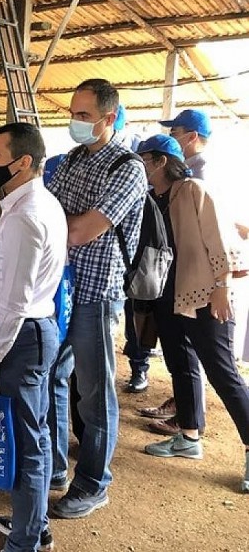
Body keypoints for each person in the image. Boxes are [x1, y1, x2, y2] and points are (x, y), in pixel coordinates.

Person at [46, 79, 146, 519]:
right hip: (60, 290)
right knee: (50, 376)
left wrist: (59, 222)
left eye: (84, 116)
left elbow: (79, 230)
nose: (75, 122)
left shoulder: (128, 168)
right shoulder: (69, 160)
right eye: (73, 113)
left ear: (109, 118)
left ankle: (93, 483)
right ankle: (51, 467)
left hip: (97, 294)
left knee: (93, 392)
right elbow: (48, 220)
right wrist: (59, 222)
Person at [135, 135, 249, 494]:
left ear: (161, 161)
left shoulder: (193, 190)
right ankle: (188, 436)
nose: (141, 166)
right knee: (180, 365)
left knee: (222, 371)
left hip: (203, 292)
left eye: (144, 159)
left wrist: (222, 286)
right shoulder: (152, 198)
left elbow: (220, 238)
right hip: (168, 295)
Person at [0, 123, 67, 552]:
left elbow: (14, 301)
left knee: (28, 442)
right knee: (34, 433)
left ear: (22, 162)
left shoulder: (25, 217)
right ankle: (34, 523)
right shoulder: (36, 204)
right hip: (33, 331)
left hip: (21, 337)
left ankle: (27, 540)